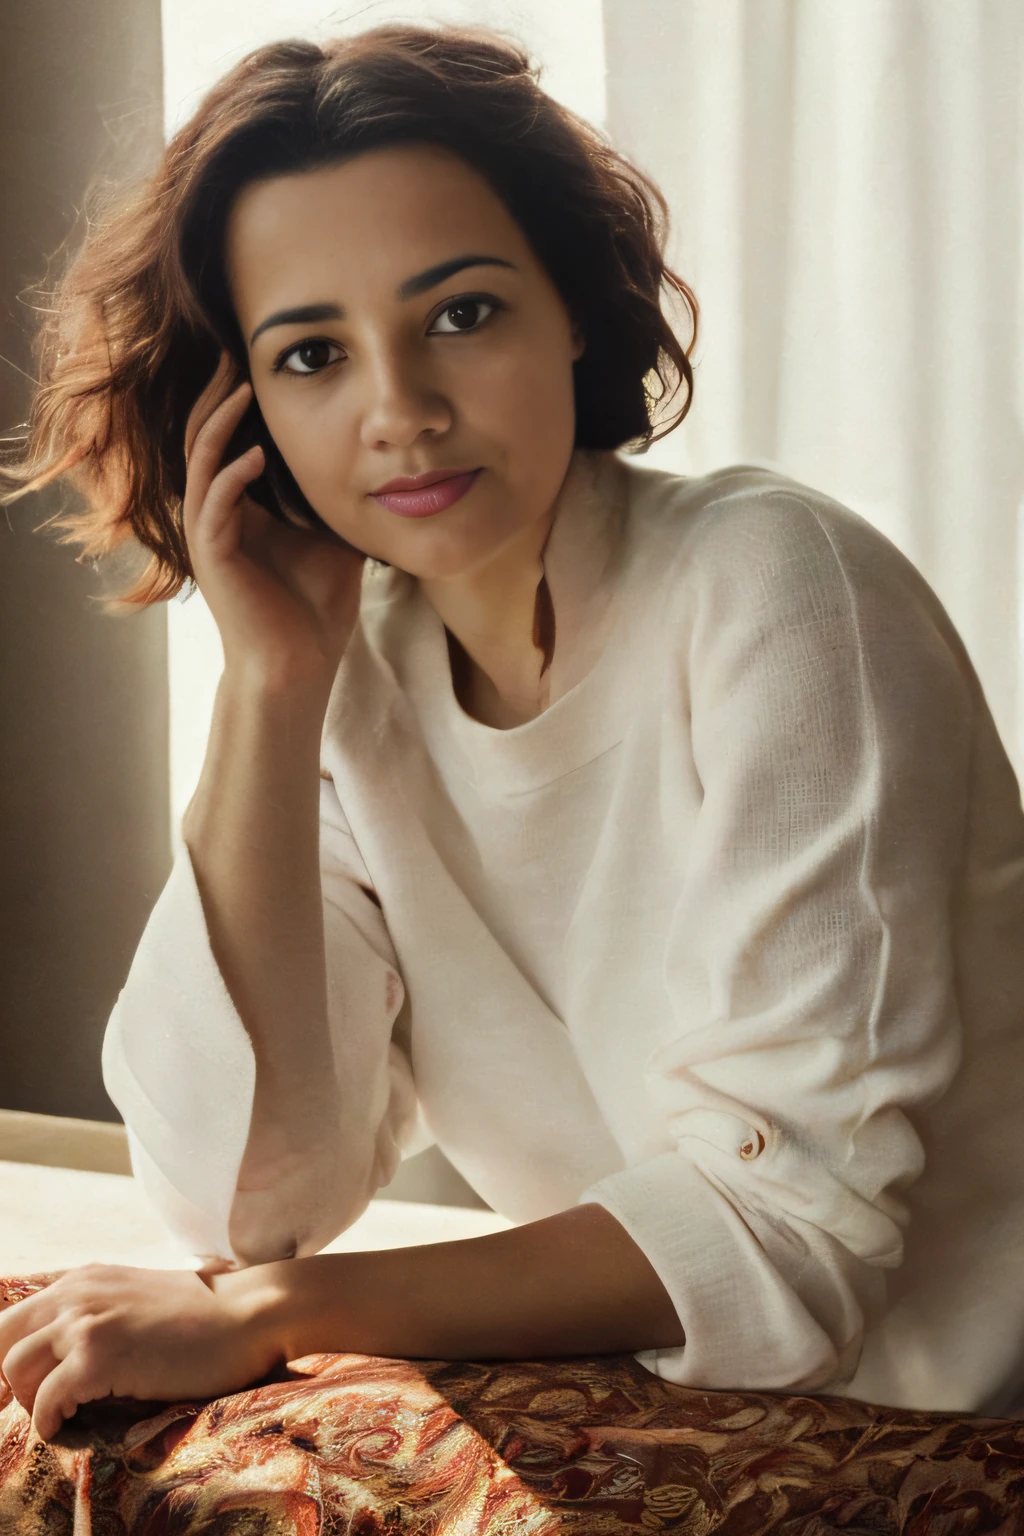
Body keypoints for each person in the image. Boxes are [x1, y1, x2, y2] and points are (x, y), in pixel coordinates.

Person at [1, 22, 1023, 1444]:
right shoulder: (354, 686)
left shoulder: (778, 586)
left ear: (575, 311)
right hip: (662, 1420)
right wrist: (268, 690)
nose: (401, 411)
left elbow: (792, 1238)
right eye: (311, 355)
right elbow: (244, 1203)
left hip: (953, 1428)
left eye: (462, 315)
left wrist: (276, 1316)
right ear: (243, 418)